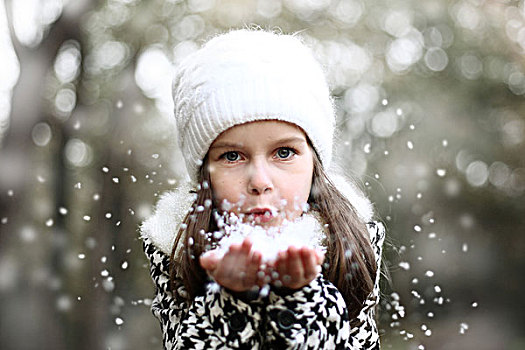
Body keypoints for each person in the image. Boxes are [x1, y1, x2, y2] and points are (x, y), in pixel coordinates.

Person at [140, 29, 385, 349]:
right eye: (232, 156)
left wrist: (300, 297)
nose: (259, 181)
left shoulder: (350, 242)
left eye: (284, 153)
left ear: (314, 162)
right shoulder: (179, 250)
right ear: (205, 174)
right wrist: (229, 300)